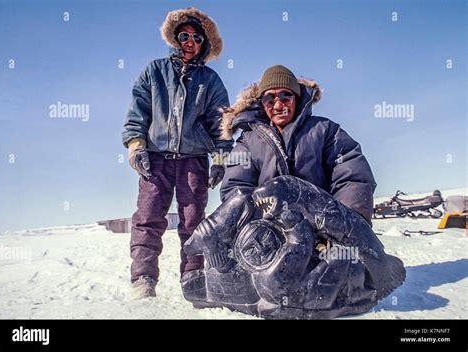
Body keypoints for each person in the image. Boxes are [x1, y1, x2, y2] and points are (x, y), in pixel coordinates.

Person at [122, 7, 232, 298]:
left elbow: (221, 123)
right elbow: (138, 113)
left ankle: (194, 277)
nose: (190, 42)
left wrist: (220, 159)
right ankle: (144, 279)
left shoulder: (211, 81)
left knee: (193, 220)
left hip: (193, 161)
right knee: (148, 217)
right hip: (155, 158)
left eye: (196, 38)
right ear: (175, 38)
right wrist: (136, 146)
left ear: (204, 44)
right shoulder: (154, 71)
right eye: (184, 35)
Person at [220, 65, 377, 224]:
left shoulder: (325, 130)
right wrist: (255, 226)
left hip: (322, 227)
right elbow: (236, 188)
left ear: (297, 98)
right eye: (269, 99)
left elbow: (352, 177)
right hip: (268, 230)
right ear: (262, 103)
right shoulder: (248, 141)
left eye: (285, 96)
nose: (278, 106)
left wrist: (345, 224)